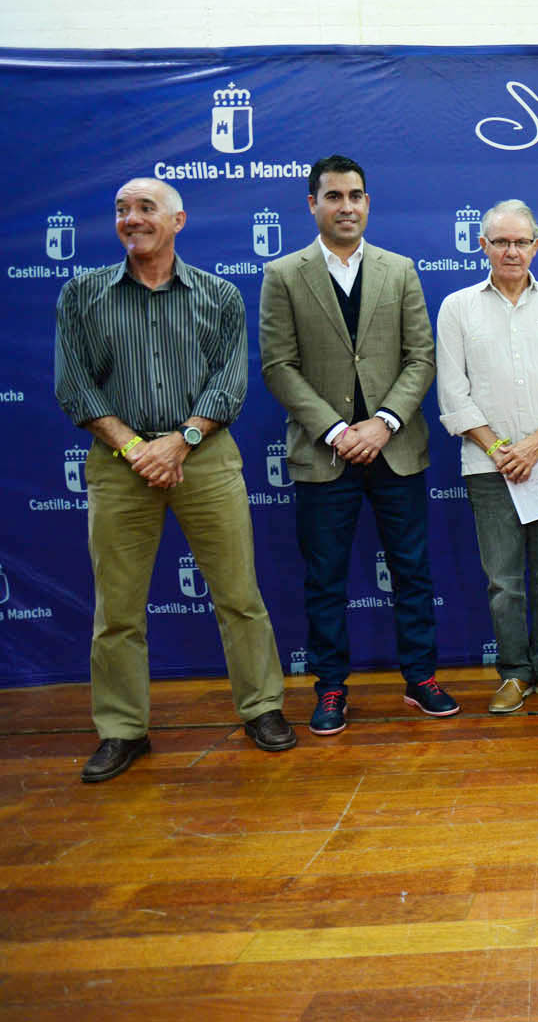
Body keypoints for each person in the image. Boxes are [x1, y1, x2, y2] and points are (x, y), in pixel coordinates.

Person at [54, 178, 293, 782]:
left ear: (178, 221)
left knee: (239, 595)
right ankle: (122, 729)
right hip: (119, 463)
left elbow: (229, 384)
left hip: (205, 456)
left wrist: (179, 440)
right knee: (118, 609)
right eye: (121, 211)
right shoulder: (81, 295)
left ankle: (262, 708)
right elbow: (75, 387)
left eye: (145, 209)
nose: (131, 219)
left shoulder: (219, 295)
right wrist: (138, 448)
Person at [260, 155, 456, 734]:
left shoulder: (400, 270)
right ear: (313, 204)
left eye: (356, 196)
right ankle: (330, 689)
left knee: (413, 570)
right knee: (325, 578)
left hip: (395, 447)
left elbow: (422, 357)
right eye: (335, 196)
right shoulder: (283, 274)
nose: (347, 206)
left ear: (368, 203)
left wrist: (385, 421)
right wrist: (338, 431)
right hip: (324, 454)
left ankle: (421, 678)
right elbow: (278, 366)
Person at [435, 200, 538, 715]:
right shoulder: (457, 307)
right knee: (503, 581)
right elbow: (453, 394)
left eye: (521, 241)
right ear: (482, 246)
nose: (511, 251)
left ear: (536, 246)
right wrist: (501, 449)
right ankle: (514, 675)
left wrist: (533, 444)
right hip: (488, 465)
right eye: (500, 241)